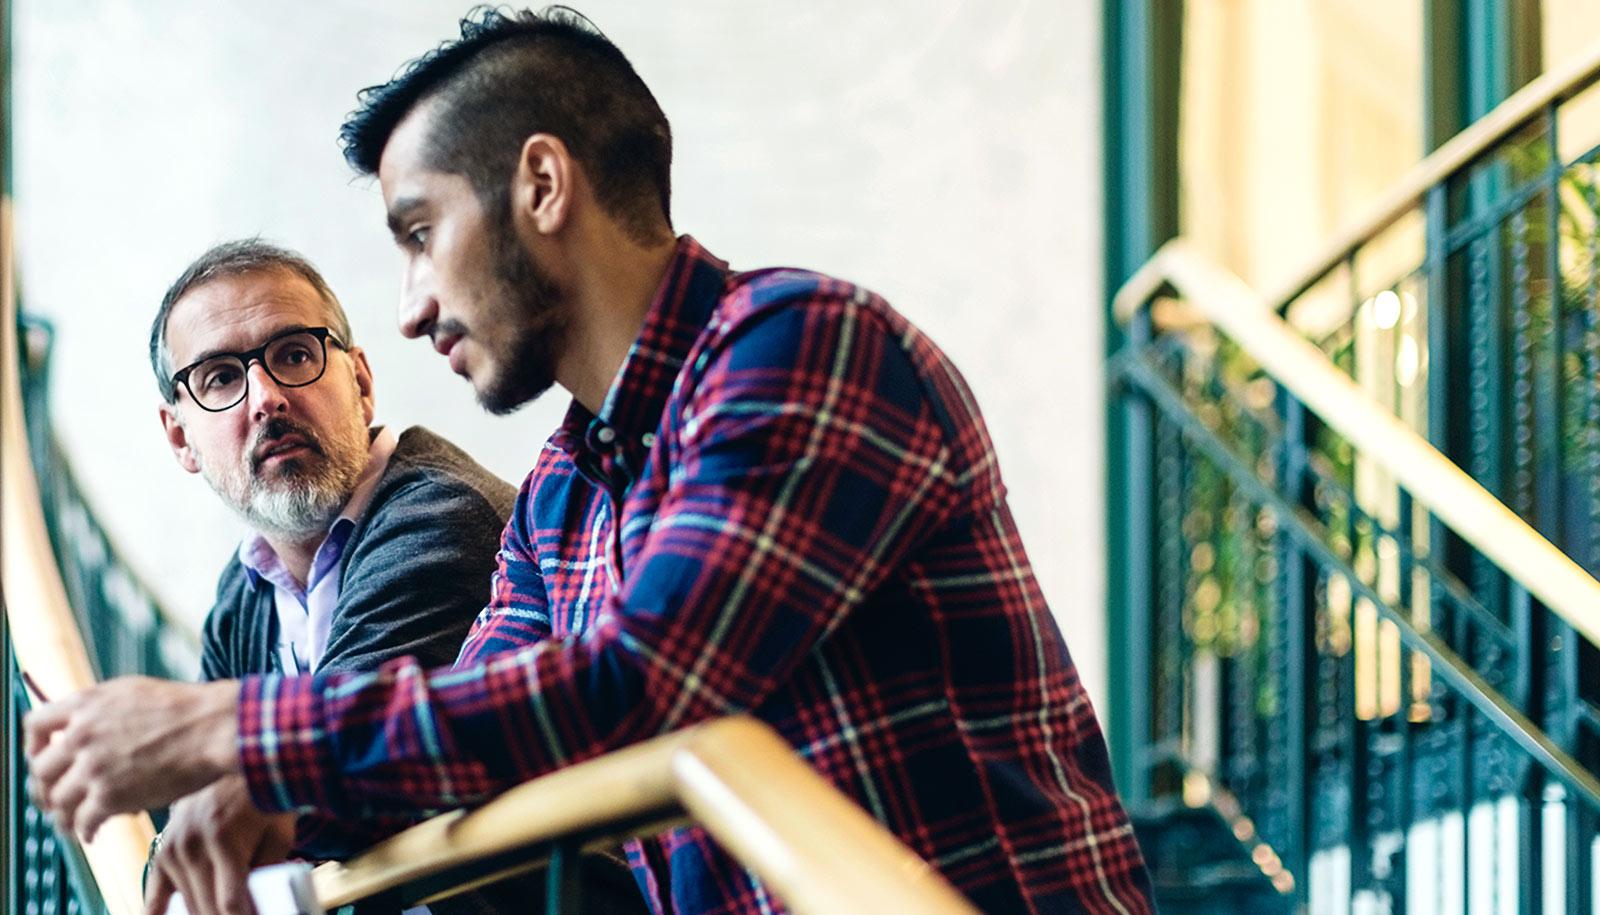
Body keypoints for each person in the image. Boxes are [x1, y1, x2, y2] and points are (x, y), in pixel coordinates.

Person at [26, 9, 1154, 913]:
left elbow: (641, 688)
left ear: (543, 186)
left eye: (420, 234)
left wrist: (229, 734)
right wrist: (283, 789)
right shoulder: (560, 495)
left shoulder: (802, 346)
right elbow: (483, 717)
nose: (411, 310)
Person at [141, 240, 519, 914]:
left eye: (293, 354)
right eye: (221, 377)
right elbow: (202, 817)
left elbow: (319, 760)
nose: (267, 398)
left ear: (361, 381)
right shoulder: (244, 592)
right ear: (180, 439)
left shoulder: (440, 518)